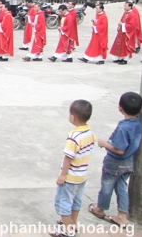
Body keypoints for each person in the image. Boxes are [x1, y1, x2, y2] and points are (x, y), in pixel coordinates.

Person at [88, 92, 142, 228]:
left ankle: (99, 209)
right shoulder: (138, 124)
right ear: (141, 109)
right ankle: (122, 217)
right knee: (121, 188)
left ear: (120, 108)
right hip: (128, 162)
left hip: (114, 162)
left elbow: (119, 149)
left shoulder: (123, 127)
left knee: (107, 187)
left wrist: (104, 144)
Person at [50, 100, 95, 237]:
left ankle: (67, 230)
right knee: (76, 201)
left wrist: (62, 175)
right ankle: (73, 223)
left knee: (63, 202)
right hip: (82, 175)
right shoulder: (90, 133)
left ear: (72, 117)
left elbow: (68, 157)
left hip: (71, 177)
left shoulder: (73, 137)